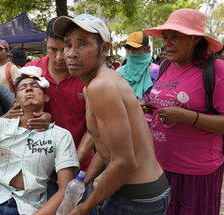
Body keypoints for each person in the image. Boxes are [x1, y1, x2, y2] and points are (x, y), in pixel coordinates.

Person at [52, 14, 170, 214]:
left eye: (82, 44)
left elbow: (124, 162)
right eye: (68, 45)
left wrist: (83, 209)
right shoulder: (102, 82)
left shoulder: (101, 86)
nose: (71, 53)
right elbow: (107, 145)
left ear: (104, 49)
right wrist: (85, 180)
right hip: (148, 191)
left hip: (136, 199)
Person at [142, 8, 224, 215]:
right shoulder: (166, 65)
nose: (167, 43)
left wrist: (188, 117)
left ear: (194, 39)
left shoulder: (217, 69)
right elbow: (168, 101)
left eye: (175, 37)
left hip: (197, 171)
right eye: (165, 37)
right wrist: (149, 106)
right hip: (161, 166)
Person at [0, 68, 79, 215]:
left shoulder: (61, 136)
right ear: (16, 101)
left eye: (35, 86)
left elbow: (66, 189)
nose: (29, 89)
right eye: (23, 88)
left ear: (46, 97)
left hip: (30, 208)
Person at [25, 17, 94, 197]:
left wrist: (72, 163)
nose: (59, 57)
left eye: (65, 50)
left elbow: (94, 128)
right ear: (45, 43)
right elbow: (19, 114)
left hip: (79, 167)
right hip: (38, 166)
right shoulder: (30, 71)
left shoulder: (87, 76)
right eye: (53, 49)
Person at [117, 31, 159, 101]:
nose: (131, 52)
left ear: (148, 49)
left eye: (135, 48)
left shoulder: (157, 71)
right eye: (128, 48)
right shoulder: (118, 73)